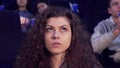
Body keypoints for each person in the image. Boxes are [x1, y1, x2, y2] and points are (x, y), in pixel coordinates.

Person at [14, 7, 102, 68]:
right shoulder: (27, 65)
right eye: (49, 29)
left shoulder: (89, 66)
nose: (56, 36)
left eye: (63, 29)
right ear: (41, 34)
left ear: (73, 34)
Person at [91, 0, 120, 67]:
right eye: (115, 4)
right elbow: (94, 47)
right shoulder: (103, 25)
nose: (119, 6)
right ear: (109, 10)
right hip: (114, 63)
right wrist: (115, 32)